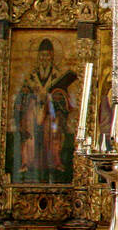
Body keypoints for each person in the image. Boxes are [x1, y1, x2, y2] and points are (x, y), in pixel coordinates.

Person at [9, 38, 76, 184]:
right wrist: (32, 97)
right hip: (33, 113)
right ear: (38, 57)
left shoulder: (57, 75)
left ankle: (55, 162)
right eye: (42, 55)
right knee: (30, 135)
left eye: (47, 55)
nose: (45, 58)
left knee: (53, 135)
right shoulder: (31, 77)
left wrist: (54, 98)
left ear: (52, 56)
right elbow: (23, 94)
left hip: (51, 115)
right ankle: (27, 163)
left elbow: (64, 97)